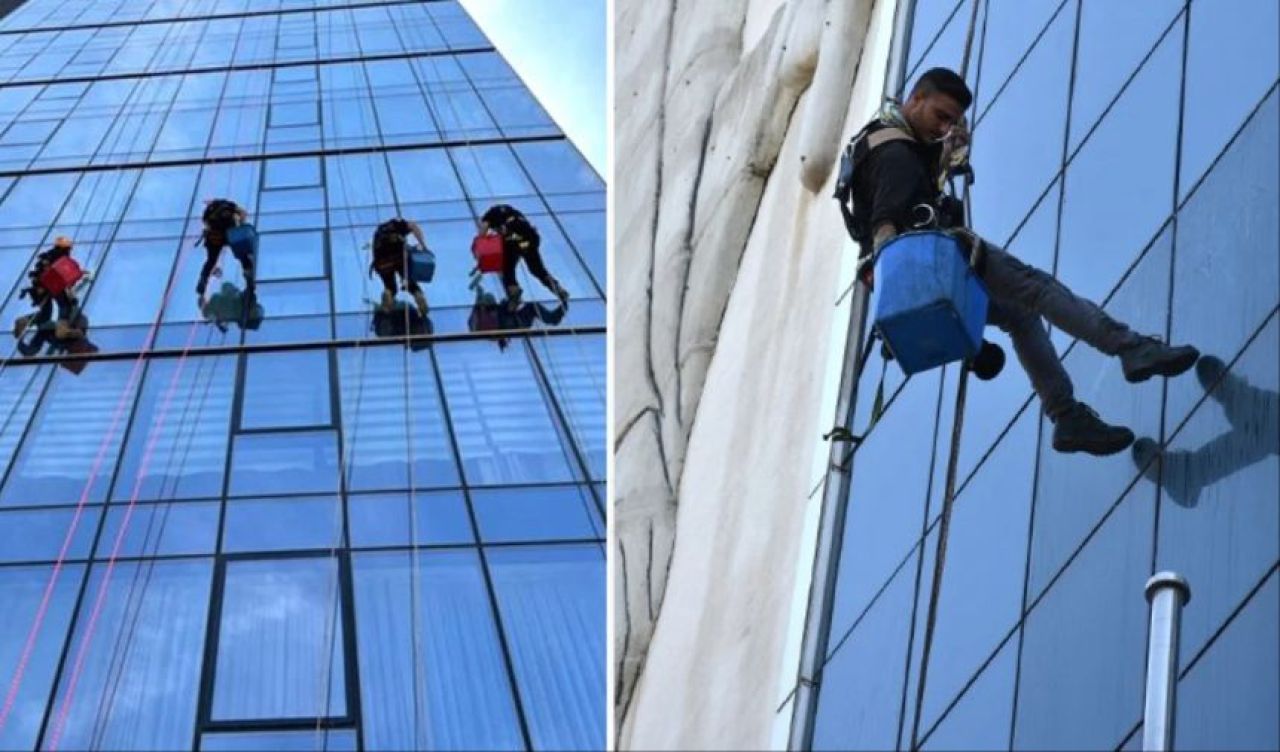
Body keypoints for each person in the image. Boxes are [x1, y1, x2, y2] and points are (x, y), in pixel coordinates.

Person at [836, 67, 1199, 456]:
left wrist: (944, 156)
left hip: (927, 272)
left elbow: (894, 208)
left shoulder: (881, 141)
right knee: (1036, 288)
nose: (944, 128)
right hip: (936, 261)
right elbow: (886, 220)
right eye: (940, 116)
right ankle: (1130, 348)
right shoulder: (896, 155)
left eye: (951, 122)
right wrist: (898, 289)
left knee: (1019, 315)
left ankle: (1067, 416)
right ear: (915, 99)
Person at [479, 204, 570, 309]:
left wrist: (482, 244)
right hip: (530, 240)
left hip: (513, 240)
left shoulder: (490, 215)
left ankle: (514, 293)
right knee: (537, 269)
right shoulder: (512, 212)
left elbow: (483, 228)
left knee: (507, 269)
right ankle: (557, 289)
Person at [16, 235, 88, 342]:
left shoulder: (46, 256)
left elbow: (38, 273)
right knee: (65, 307)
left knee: (45, 314)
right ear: (66, 249)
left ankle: (24, 320)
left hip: (39, 287)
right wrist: (80, 273)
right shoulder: (62, 258)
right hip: (54, 286)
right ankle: (62, 331)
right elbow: (67, 274)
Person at [196, 198, 254, 306]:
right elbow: (243, 213)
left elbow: (206, 223)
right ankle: (248, 272)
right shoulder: (230, 205)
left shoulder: (209, 210)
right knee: (242, 254)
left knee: (211, 260)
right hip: (230, 234)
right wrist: (241, 224)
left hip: (214, 237)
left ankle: (203, 279)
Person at [369, 217, 429, 317]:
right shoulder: (397, 224)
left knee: (390, 286)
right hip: (399, 258)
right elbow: (413, 226)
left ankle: (388, 293)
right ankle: (418, 295)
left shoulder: (379, 231)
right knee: (410, 282)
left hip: (382, 262)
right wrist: (423, 245)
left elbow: (375, 251)